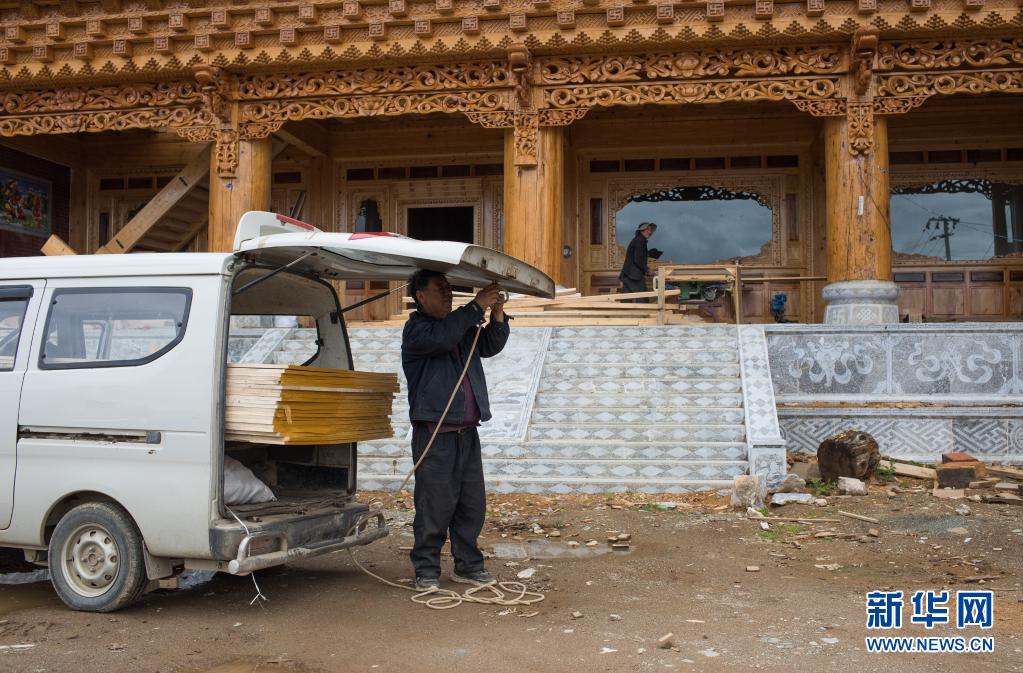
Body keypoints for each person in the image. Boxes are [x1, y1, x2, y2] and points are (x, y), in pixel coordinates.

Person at [401, 270, 508, 591]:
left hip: (467, 432)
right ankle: (426, 569)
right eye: (440, 288)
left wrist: (497, 315)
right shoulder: (418, 329)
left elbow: (488, 345)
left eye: (449, 288)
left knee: (470, 504)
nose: (448, 293)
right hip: (435, 434)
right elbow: (443, 338)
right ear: (420, 295)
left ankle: (469, 566)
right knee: (435, 504)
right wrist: (475, 307)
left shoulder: (460, 327)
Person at [619, 222, 657, 299]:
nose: (650, 232)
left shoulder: (637, 240)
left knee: (626, 302)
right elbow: (638, 259)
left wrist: (645, 270)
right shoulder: (640, 241)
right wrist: (647, 270)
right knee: (643, 299)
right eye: (648, 230)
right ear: (642, 230)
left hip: (627, 275)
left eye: (650, 230)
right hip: (633, 276)